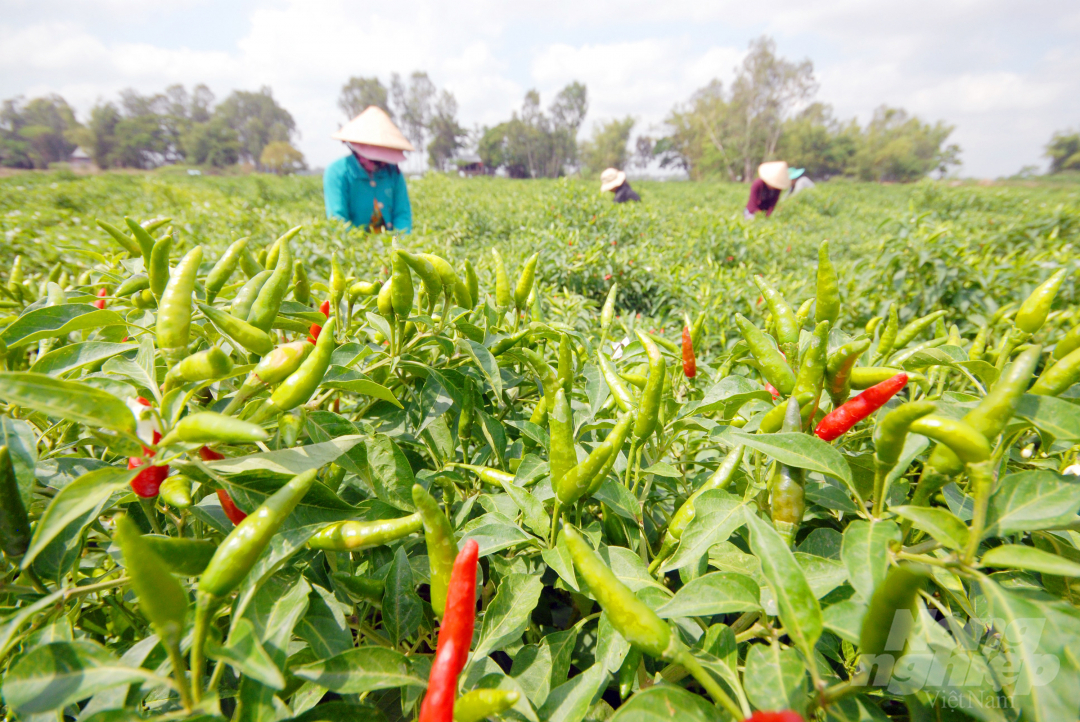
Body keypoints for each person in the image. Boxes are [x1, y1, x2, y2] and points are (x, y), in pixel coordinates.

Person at [324, 106, 414, 233]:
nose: (381, 164)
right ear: (358, 152)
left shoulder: (393, 172)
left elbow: (402, 214)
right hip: (354, 247)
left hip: (390, 245)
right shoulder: (338, 172)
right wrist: (362, 248)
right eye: (375, 160)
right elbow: (338, 219)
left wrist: (399, 245)